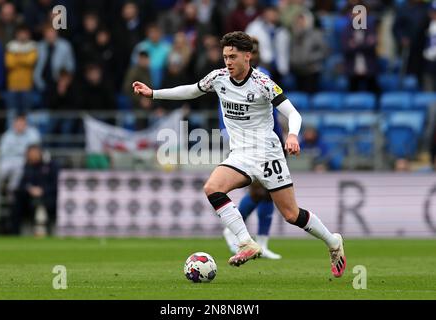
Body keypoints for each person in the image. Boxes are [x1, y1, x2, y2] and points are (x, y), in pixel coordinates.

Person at [133, 31, 346, 277]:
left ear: (248, 56)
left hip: (268, 154)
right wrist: (154, 93)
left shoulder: (263, 83)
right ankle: (246, 242)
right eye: (225, 57)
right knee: (212, 188)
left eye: (233, 57)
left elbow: (294, 114)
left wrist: (293, 135)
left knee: (291, 214)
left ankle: (333, 242)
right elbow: (191, 90)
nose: (228, 62)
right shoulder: (218, 78)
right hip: (241, 154)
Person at [220, 37, 283, 260]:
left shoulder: (261, 75)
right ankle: (239, 232)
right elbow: (226, 108)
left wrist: (280, 136)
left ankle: (260, 241)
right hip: (246, 140)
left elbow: (272, 108)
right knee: (260, 190)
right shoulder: (228, 77)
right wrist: (225, 132)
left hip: (269, 137)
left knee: (268, 192)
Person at [11, 144, 59, 235]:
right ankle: (14, 234)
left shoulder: (51, 165)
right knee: (16, 204)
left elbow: (56, 184)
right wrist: (29, 189)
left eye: (34, 153)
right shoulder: (27, 167)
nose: (32, 156)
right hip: (29, 197)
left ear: (40, 153)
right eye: (30, 154)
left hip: (48, 197)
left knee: (41, 204)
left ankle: (46, 231)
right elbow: (21, 185)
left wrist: (43, 190)